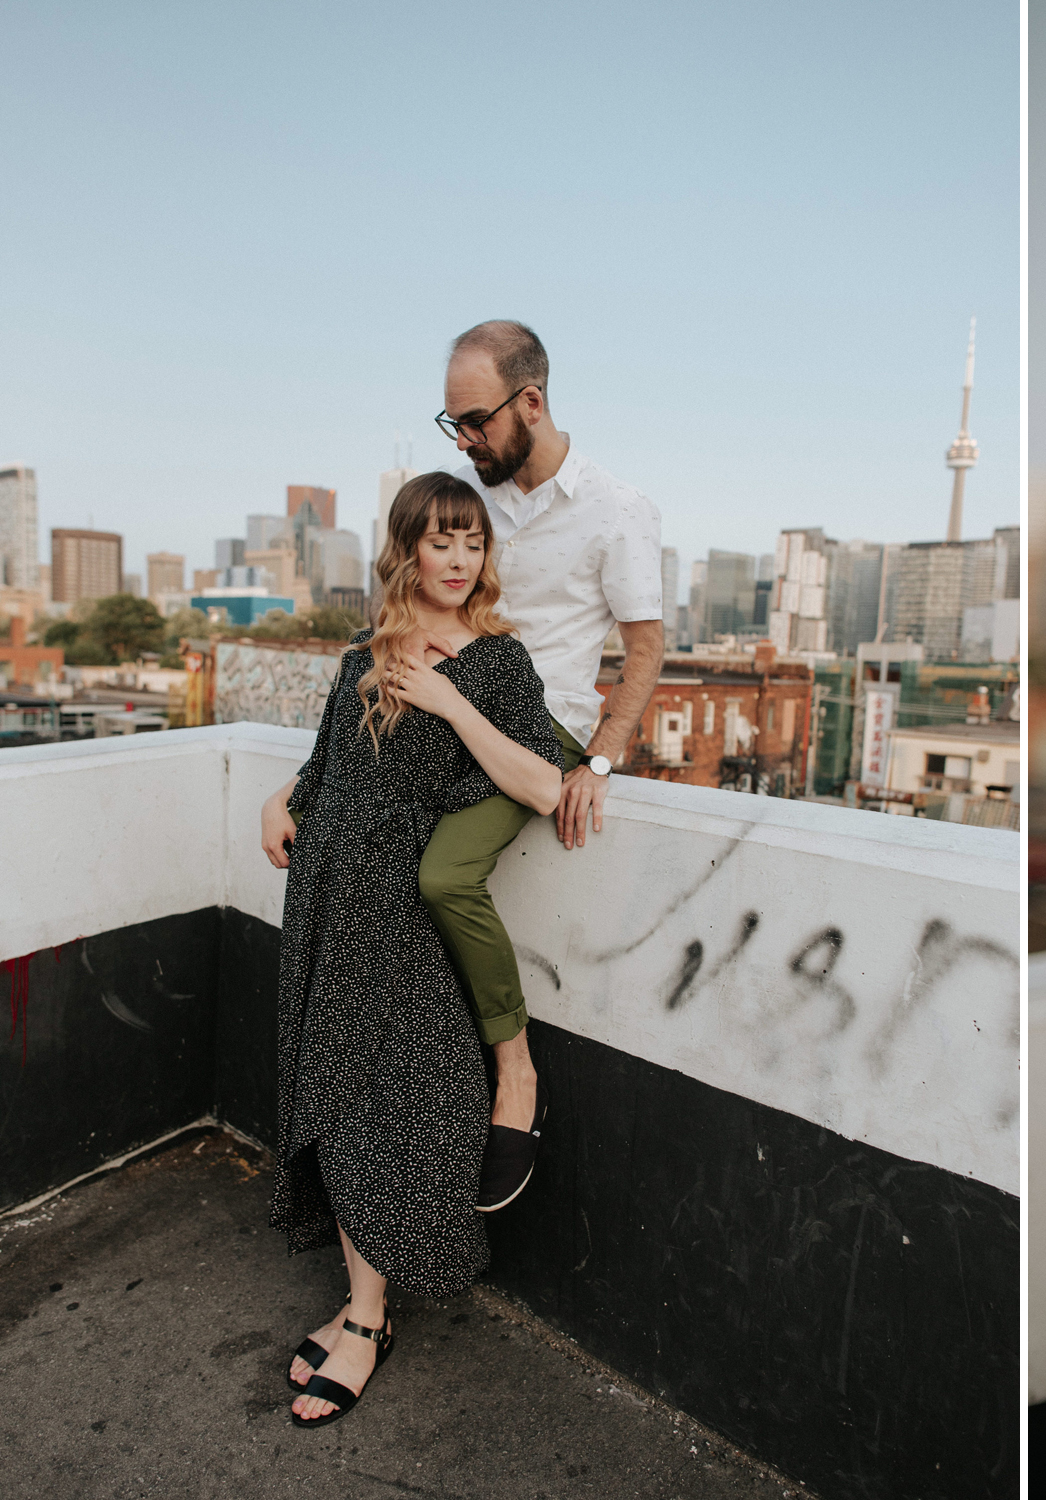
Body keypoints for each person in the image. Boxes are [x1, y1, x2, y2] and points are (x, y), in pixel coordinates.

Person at [260, 320, 667, 1211]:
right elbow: (393, 673)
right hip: (448, 710)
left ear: (530, 402)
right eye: (451, 425)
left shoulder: (616, 509)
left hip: (539, 728)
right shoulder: (476, 504)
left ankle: (515, 1075)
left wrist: (600, 762)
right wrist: (297, 788)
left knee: (443, 875)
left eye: (473, 420)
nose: (465, 439)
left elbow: (645, 646)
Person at [266, 472, 570, 1425]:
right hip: (325, 901)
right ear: (407, 548)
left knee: (388, 1105)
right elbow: (329, 766)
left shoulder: (498, 664)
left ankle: (365, 1319)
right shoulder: (365, 651)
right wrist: (282, 800)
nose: (458, 559)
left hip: (400, 912)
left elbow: (543, 786)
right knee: (333, 1098)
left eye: (472, 543)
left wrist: (446, 701)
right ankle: (365, 1307)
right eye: (441, 541)